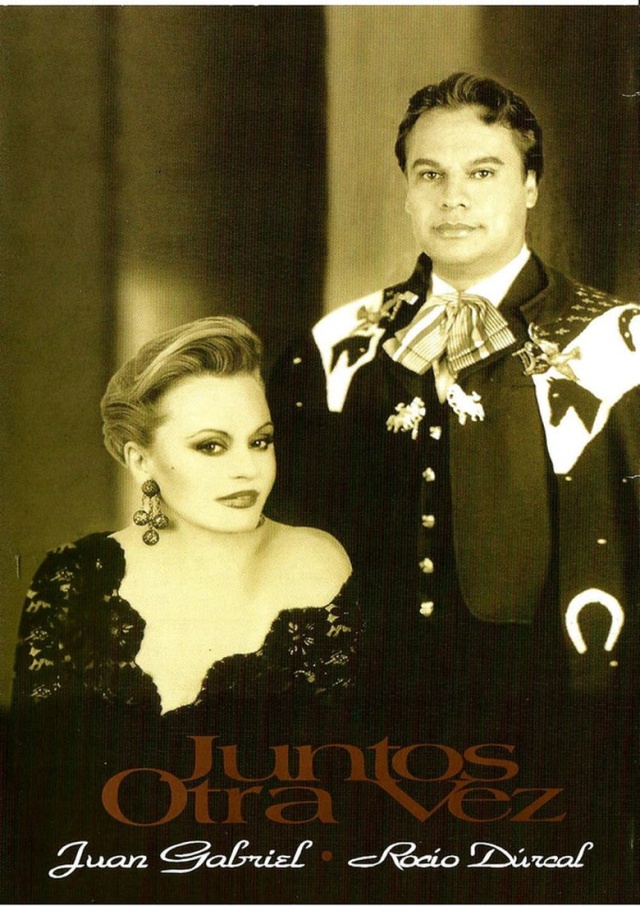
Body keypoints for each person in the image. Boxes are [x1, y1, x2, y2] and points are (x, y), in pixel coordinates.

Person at [268, 73, 639, 901]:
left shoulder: (622, 345)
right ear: (406, 191)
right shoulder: (336, 348)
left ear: (531, 186)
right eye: (430, 174)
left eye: (483, 171)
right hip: (377, 726)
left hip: (567, 719)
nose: (454, 197)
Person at [7, 315, 358, 903]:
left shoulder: (317, 565)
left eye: (260, 441)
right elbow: (36, 802)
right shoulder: (74, 580)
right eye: (210, 446)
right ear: (140, 460)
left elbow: (349, 796)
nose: (247, 468)